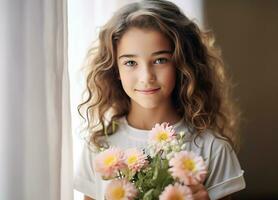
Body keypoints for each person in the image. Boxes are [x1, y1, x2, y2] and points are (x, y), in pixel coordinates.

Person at [74, 0, 246, 199]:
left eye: (160, 60)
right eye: (131, 62)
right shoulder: (100, 147)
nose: (146, 77)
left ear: (181, 64)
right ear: (115, 69)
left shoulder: (212, 148)